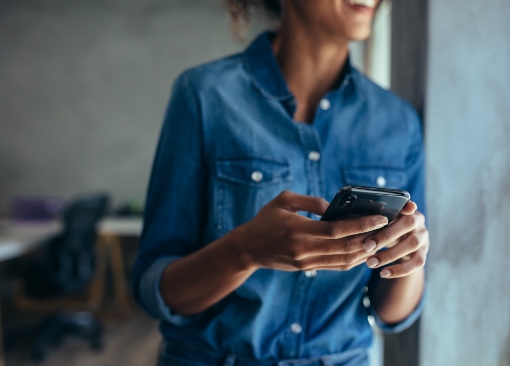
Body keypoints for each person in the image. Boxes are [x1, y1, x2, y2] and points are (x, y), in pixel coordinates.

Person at [133, 0, 430, 364]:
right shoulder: (204, 96)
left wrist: (411, 259)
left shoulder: (398, 122)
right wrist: (244, 251)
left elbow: (392, 314)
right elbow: (157, 290)